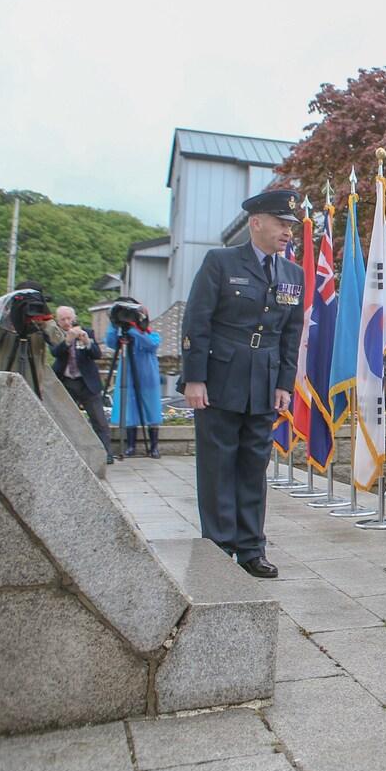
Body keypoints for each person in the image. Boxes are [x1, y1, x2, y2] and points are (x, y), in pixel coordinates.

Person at [180, 191, 305, 578]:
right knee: (218, 465)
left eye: (290, 225)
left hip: (265, 381)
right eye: (281, 223)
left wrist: (285, 382)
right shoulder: (221, 262)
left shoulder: (293, 274)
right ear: (256, 222)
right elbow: (196, 322)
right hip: (220, 377)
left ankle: (251, 548)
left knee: (253, 465)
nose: (288, 231)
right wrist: (195, 378)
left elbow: (291, 332)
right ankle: (218, 545)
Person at [50, 305, 114, 464]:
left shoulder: (87, 332)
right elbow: (55, 353)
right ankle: (68, 453)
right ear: (58, 321)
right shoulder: (56, 335)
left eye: (69, 319)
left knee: (99, 420)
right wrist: (67, 341)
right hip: (66, 382)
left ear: (74, 318)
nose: (66, 322)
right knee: (65, 419)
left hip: (87, 383)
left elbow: (96, 354)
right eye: (62, 319)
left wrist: (86, 342)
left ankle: (106, 453)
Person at [0, 280, 64, 393]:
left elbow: (60, 342)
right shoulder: (3, 316)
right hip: (3, 381)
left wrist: (45, 322)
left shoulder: (40, 319)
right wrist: (7, 320)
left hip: (32, 383)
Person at [110, 303, 164, 457]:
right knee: (129, 411)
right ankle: (130, 446)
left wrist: (135, 330)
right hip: (128, 377)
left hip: (148, 378)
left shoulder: (152, 334)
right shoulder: (124, 334)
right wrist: (114, 324)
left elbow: (152, 345)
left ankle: (154, 447)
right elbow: (111, 342)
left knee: (152, 410)